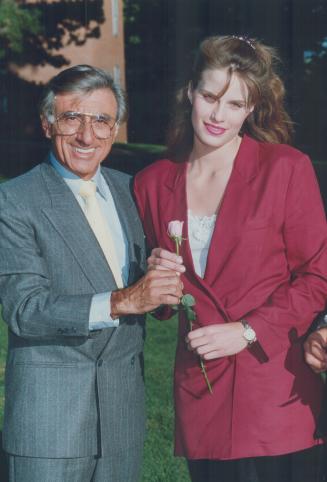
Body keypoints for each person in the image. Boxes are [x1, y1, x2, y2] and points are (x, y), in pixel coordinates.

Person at [134, 36, 327, 482]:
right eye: (210, 96)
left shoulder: (286, 169)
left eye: (235, 104)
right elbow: (163, 303)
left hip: (276, 391)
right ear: (189, 92)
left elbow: (317, 276)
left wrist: (246, 330)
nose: (219, 115)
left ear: (252, 109)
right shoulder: (151, 182)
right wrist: (157, 286)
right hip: (200, 394)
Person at [0, 64, 183, 482]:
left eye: (101, 120)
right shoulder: (13, 200)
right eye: (72, 118)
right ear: (47, 125)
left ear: (116, 128)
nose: (87, 135)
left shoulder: (131, 190)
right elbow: (25, 309)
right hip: (49, 425)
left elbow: (149, 288)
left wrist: (163, 287)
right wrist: (125, 301)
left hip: (122, 418)